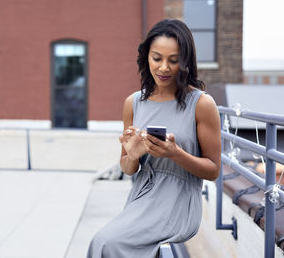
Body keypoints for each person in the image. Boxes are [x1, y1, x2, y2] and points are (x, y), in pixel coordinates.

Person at [86, 19, 221, 258]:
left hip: (179, 202)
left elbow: (213, 170)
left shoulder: (201, 104)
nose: (164, 68)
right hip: (141, 198)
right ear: (146, 57)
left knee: (106, 243)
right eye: (157, 58)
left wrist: (175, 153)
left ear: (185, 61)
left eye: (174, 60)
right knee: (103, 243)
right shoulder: (133, 103)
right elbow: (127, 168)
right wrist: (134, 155)